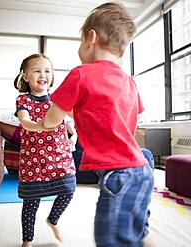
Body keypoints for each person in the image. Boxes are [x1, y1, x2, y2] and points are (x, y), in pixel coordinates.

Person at [34, 2, 154, 247]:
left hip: (118, 174)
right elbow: (129, 125)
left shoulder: (80, 74)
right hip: (143, 167)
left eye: (80, 42)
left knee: (110, 240)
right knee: (137, 230)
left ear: (91, 38)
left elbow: (50, 120)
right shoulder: (129, 82)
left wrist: (36, 124)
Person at [0, 54, 76, 247]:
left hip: (59, 155)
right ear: (25, 76)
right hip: (34, 159)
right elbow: (24, 121)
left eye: (47, 71)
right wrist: (42, 125)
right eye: (37, 70)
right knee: (31, 201)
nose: (43, 75)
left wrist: (74, 136)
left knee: (69, 188)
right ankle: (27, 241)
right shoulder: (23, 99)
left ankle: (53, 219)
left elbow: (71, 119)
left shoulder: (58, 99)